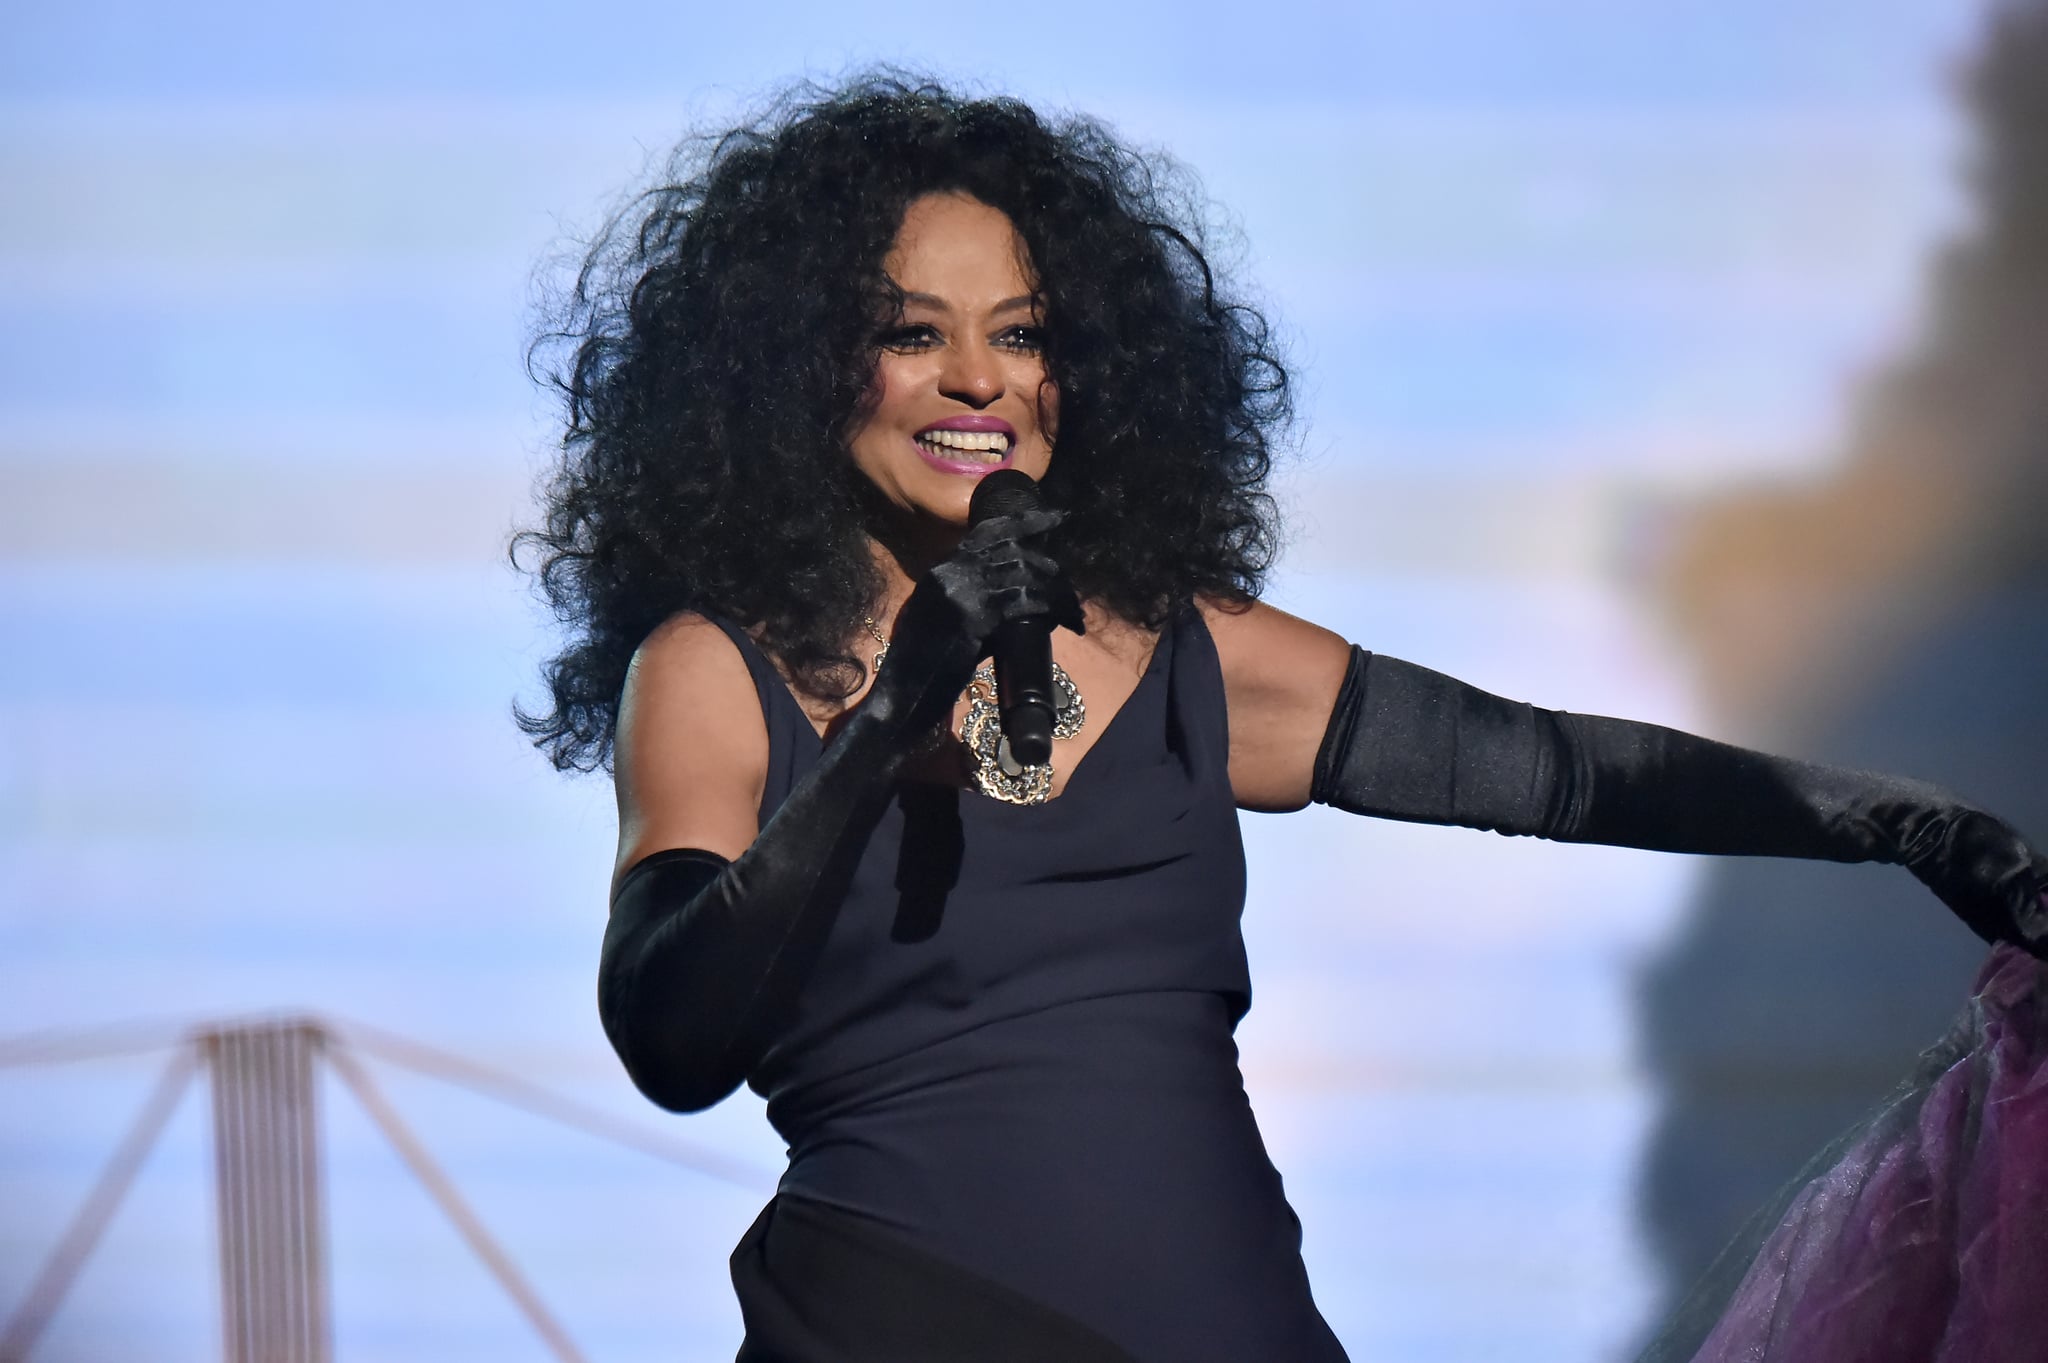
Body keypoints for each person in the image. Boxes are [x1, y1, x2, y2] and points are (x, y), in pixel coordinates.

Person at [516, 76, 2048, 1362]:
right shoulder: (721, 669)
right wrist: (904, 699)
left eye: (1027, 332)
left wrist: (1891, 820)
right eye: (913, 332)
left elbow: (1557, 767)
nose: (979, 377)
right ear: (797, 367)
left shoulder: (1186, 652)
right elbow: (673, 1031)